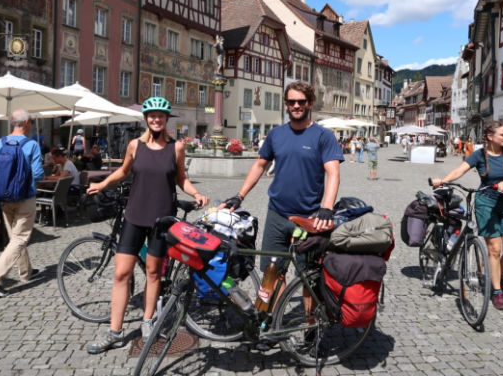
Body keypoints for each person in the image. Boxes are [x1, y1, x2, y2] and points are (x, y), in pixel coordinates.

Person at [85, 96, 208, 354]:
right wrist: (103, 183)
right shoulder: (134, 146)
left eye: (160, 116)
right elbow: (123, 172)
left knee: (153, 273)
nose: (156, 119)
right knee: (121, 273)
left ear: (166, 120)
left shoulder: (176, 148)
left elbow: (181, 179)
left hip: (162, 219)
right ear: (146, 119)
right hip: (134, 216)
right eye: (151, 115)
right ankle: (114, 331)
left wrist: (195, 193)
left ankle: (147, 321)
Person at [221, 80, 342, 278]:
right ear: (286, 104)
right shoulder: (276, 134)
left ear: (310, 103)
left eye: (301, 102)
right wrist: (239, 196)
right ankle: (276, 310)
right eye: (291, 102)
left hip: (309, 216)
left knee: (307, 277)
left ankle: (309, 311)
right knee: (272, 274)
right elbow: (260, 165)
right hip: (276, 214)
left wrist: (327, 209)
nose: (296, 106)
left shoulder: (323, 135)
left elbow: (333, 173)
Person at [430, 120, 503, 311]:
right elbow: (461, 169)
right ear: (490, 137)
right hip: (486, 203)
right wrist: (443, 181)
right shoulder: (479, 155)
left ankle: (493, 273)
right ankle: (496, 290)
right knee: (494, 249)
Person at [0, 110, 44, 298]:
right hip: (25, 198)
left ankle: (26, 271)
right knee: (20, 238)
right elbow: (38, 174)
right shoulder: (32, 144)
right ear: (25, 123)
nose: (31, 124)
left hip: (4, 197)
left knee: (15, 238)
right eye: (31, 121)